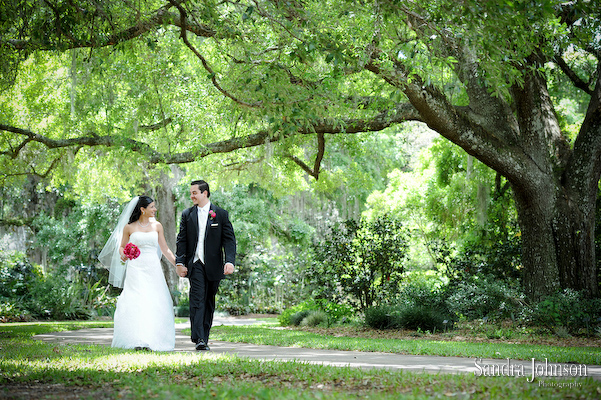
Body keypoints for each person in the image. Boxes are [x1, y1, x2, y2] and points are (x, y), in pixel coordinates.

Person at [98, 196, 178, 351]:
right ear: (143, 209)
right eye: (152, 207)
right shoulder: (129, 227)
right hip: (135, 268)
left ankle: (153, 338)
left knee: (154, 301)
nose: (155, 210)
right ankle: (136, 339)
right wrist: (125, 253)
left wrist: (178, 265)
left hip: (152, 268)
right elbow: (122, 247)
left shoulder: (157, 226)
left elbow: (165, 249)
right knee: (136, 300)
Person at [175, 180, 236, 351]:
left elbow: (229, 240)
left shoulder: (221, 214)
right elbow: (182, 240)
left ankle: (204, 337)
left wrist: (229, 261)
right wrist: (180, 262)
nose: (191, 196)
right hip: (195, 264)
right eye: (191, 193)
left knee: (209, 301)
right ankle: (199, 337)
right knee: (197, 299)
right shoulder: (187, 214)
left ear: (205, 193)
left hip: (214, 265)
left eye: (194, 192)